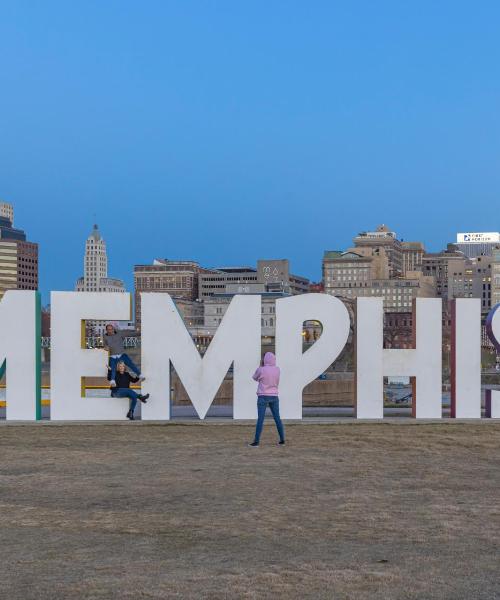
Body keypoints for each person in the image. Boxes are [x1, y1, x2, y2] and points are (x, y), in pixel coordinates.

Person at [249, 352, 285, 446]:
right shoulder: (278, 369)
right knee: (277, 418)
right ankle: (282, 440)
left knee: (260, 419)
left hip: (262, 396)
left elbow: (254, 378)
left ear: (264, 359)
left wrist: (261, 366)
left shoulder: (261, 369)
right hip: (274, 396)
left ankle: (256, 442)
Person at [103, 323, 145, 388]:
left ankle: (140, 375)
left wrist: (140, 333)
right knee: (113, 369)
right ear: (106, 330)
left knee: (131, 364)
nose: (110, 331)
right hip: (113, 356)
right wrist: (105, 347)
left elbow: (130, 334)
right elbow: (105, 345)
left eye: (111, 329)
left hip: (121, 354)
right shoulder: (105, 336)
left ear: (113, 329)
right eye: (108, 329)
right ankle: (113, 381)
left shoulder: (119, 333)